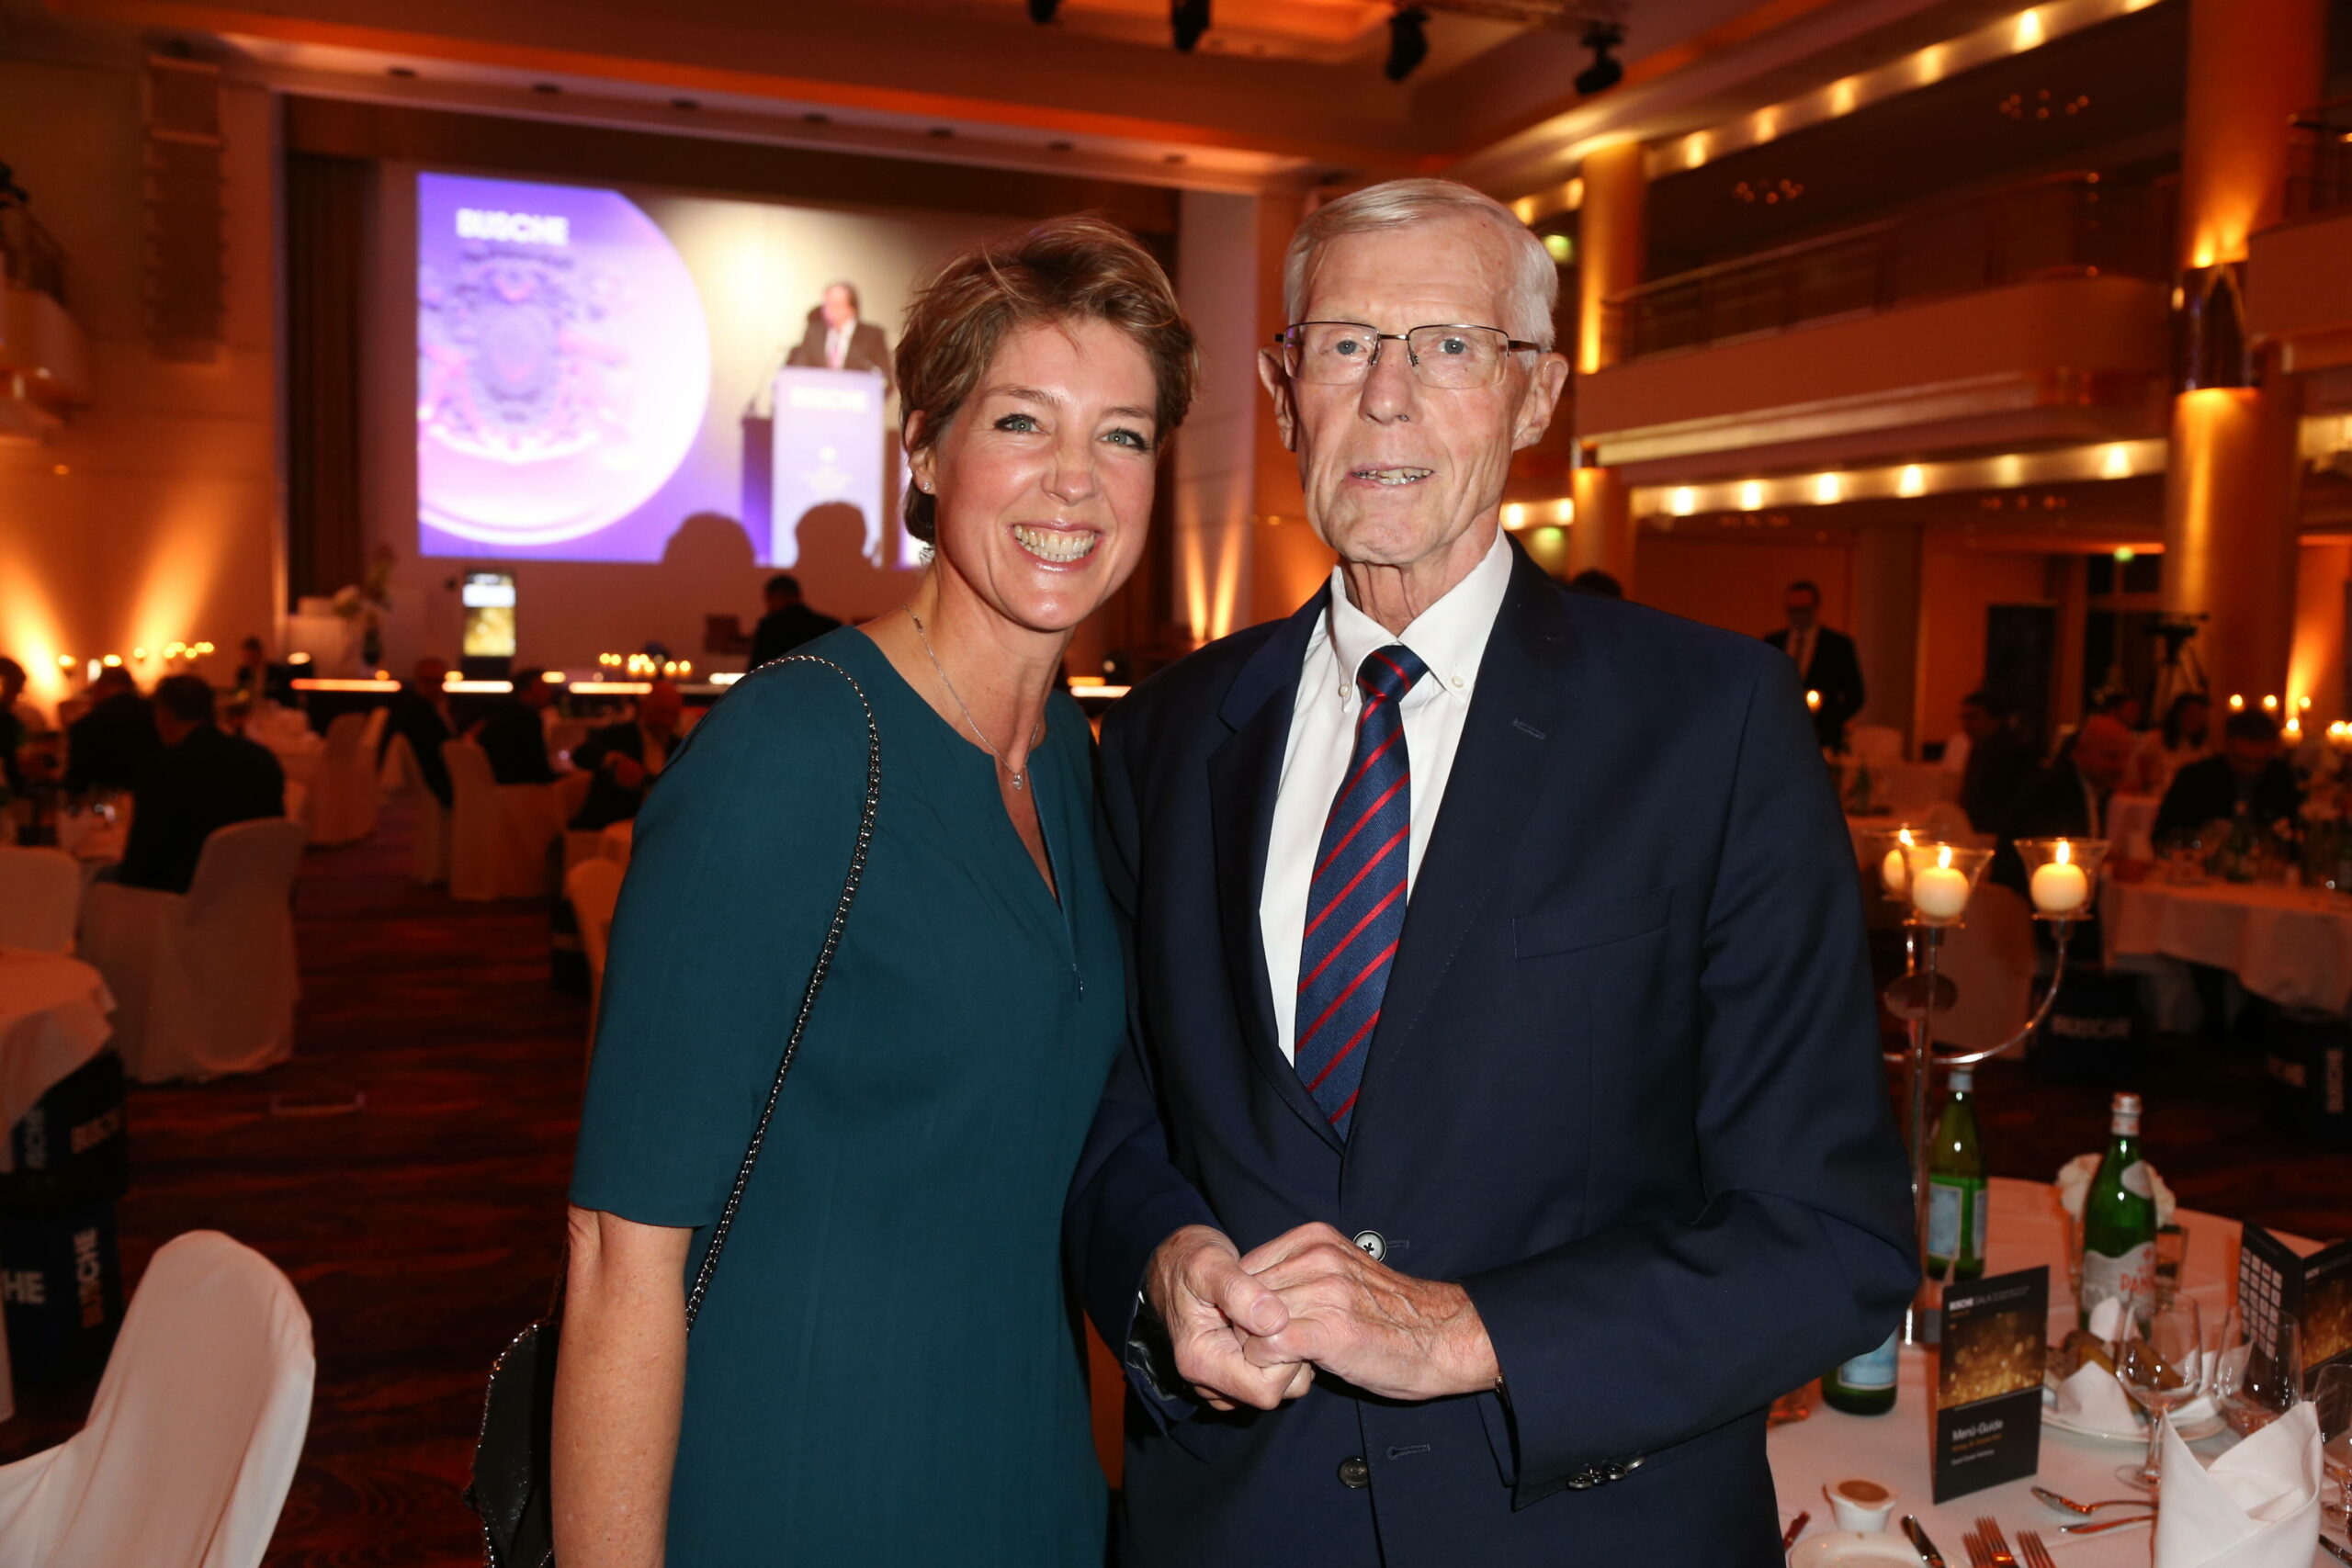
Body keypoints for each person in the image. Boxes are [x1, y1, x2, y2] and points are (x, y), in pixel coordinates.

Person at [1064, 179, 1914, 1566]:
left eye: (1450, 344)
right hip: (1234, 1525)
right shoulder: (1168, 733)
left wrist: (1466, 1331)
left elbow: (1829, 1231)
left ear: (1537, 398)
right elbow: (1111, 1110)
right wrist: (1162, 1259)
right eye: (1343, 343)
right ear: (1284, 391)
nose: (1387, 395)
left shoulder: (1713, 724)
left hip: (1584, 1524)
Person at [555, 214, 1196, 1568]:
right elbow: (621, 1254)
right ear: (924, 450)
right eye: (1024, 420)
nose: (1075, 480)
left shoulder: (1077, 757)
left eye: (1124, 434)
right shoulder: (792, 754)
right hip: (798, 1475)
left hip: (1026, 1472)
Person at [116, 674, 285, 895]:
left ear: (164, 715)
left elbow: (142, 859)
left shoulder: (160, 770)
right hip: (258, 892)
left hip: (183, 901)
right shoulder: (261, 758)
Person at [2154, 709, 2301, 843]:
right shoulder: (2196, 778)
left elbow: (2295, 835)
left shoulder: (2283, 777)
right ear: (2227, 747)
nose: (2251, 768)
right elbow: (2164, 835)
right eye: (2243, 760)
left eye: (2260, 761)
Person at [567, 680, 684, 831]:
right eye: (661, 712)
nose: (666, 721)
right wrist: (614, 760)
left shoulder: (679, 746)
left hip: (658, 829)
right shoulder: (617, 735)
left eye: (672, 714)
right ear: (644, 707)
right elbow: (581, 754)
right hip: (608, 826)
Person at [1764, 580, 1864, 750]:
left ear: (1815, 609)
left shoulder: (1838, 645)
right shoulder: (1773, 642)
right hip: (1780, 735)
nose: (1798, 616)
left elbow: (1856, 694)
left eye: (1803, 610)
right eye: (1793, 610)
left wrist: (1827, 720)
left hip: (1823, 739)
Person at [64, 666, 162, 795]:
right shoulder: (155, 713)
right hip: (151, 792)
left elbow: (78, 777)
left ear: (100, 686)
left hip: (103, 796)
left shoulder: (88, 723)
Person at [786, 280, 894, 392]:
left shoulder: (872, 335)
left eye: (835, 305)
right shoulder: (813, 333)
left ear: (852, 308)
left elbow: (886, 380)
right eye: (826, 305)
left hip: (855, 402)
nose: (828, 311)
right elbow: (798, 370)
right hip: (817, 401)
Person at [1954, 689, 2038, 832]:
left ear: (1995, 721)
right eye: (1964, 718)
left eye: (1973, 717)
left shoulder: (2011, 755)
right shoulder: (1979, 749)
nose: (1967, 725)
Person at [381, 657, 458, 808]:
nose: (434, 687)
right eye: (428, 681)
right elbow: (436, 757)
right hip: (436, 788)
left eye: (438, 681)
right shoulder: (419, 714)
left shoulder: (440, 708)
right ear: (418, 681)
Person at [476, 669, 558, 785]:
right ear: (525, 693)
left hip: (495, 784)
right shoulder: (528, 718)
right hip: (517, 788)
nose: (549, 693)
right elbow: (537, 766)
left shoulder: (500, 714)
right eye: (542, 689)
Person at [744, 573, 842, 671]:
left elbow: (755, 669)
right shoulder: (830, 625)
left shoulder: (770, 626)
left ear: (776, 596)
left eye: (769, 598)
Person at [2140, 692, 2212, 796]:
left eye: (2200, 715)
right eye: (2190, 714)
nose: (2195, 720)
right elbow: (2141, 777)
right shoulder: (2153, 740)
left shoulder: (2203, 748)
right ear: (2177, 714)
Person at [0, 655, 32, 793]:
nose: (19, 694)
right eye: (16, 688)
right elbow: (11, 766)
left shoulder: (10, 720)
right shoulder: (6, 721)